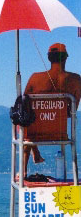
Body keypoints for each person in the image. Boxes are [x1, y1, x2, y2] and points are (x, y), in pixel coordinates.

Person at [23, 43, 81, 176]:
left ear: (49, 58)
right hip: (60, 132)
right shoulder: (76, 79)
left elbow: (25, 105)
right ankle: (36, 153)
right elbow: (72, 111)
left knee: (24, 120)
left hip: (35, 132)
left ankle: (27, 165)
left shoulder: (35, 78)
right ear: (65, 58)